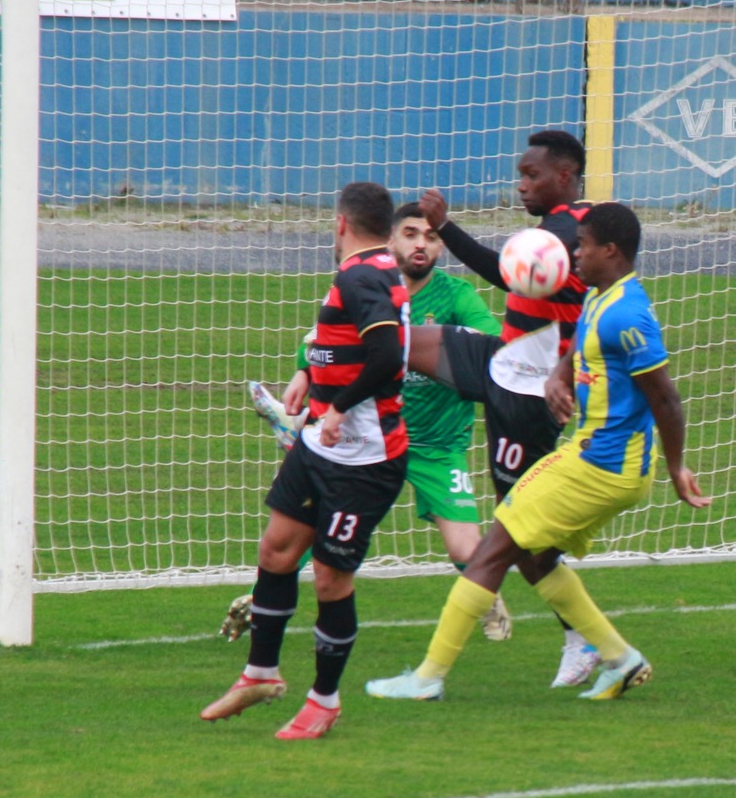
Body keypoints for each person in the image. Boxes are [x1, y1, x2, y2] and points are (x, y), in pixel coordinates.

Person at [365, 202, 710, 703]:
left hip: (602, 466)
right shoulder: (601, 297)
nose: (575, 252)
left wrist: (677, 466)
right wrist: (557, 376)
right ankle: (619, 658)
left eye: (584, 245)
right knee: (534, 554)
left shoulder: (628, 315)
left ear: (610, 251)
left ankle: (427, 678)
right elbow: (577, 347)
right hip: (589, 457)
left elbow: (666, 398)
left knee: (493, 550)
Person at [226, 203, 515, 642]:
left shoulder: (457, 296)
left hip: (438, 446)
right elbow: (323, 341)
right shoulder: (366, 285)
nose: (421, 243)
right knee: (314, 527)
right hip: (369, 440)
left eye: (431, 236)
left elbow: (490, 349)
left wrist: (446, 351)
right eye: (412, 233)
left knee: (465, 548)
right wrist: (305, 371)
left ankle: (484, 590)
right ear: (392, 240)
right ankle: (259, 597)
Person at [200, 181, 409, 740]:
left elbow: (388, 356)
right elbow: (347, 341)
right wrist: (309, 375)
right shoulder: (373, 271)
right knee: (277, 548)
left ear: (340, 223)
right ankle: (261, 673)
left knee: (330, 579)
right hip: (320, 444)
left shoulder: (361, 275)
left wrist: (338, 406)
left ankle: (325, 700)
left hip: (363, 460)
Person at [415, 129, 602, 686]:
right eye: (521, 174)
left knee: (518, 530)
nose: (521, 185)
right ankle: (325, 414)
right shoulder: (566, 225)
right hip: (502, 357)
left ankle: (582, 638)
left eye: (532, 175)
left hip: (527, 393)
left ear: (564, 176)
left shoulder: (565, 234)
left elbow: (504, 272)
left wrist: (447, 227)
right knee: (393, 340)